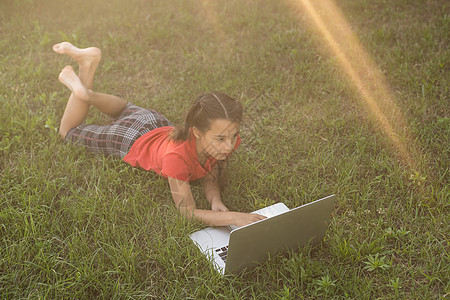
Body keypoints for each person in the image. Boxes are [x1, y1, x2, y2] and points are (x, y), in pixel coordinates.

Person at [53, 42, 266, 228]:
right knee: (67, 132)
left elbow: (209, 173)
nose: (229, 146)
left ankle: (88, 87)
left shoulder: (220, 143)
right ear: (197, 132)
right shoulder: (177, 158)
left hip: (153, 121)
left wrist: (215, 199)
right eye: (221, 139)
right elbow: (187, 213)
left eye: (233, 136)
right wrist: (233, 217)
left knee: (123, 108)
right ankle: (82, 86)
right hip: (130, 138)